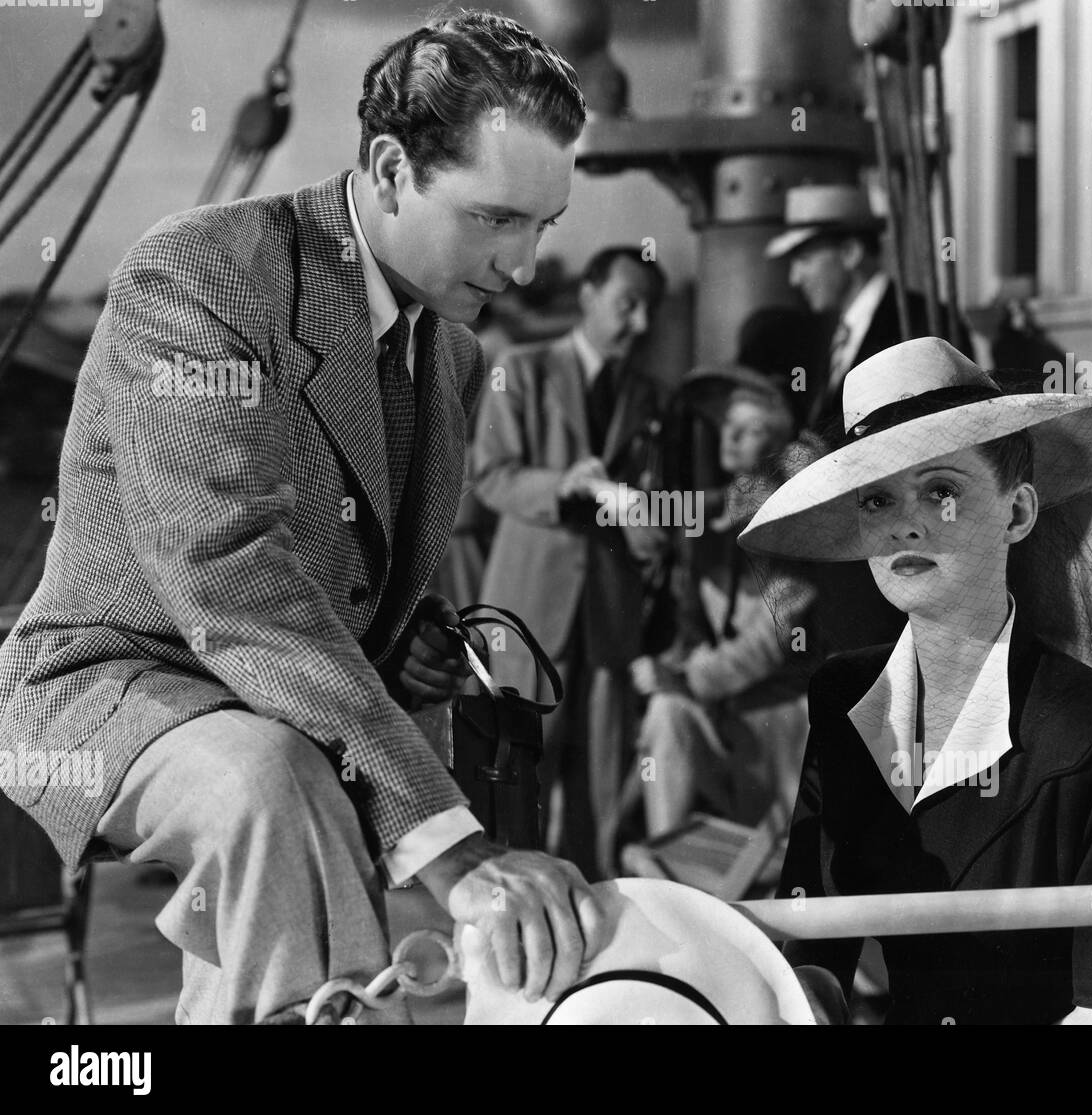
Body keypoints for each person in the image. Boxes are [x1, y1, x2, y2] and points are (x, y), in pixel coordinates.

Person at [0, 12, 613, 1024]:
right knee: (269, 779)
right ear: (386, 167)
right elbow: (231, 577)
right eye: (495, 217)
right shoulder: (200, 278)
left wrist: (408, 634)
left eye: (542, 224)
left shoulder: (446, 351)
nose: (526, 262)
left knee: (282, 820)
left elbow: (357, 565)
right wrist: (456, 852)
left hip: (295, 710)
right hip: (108, 686)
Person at [739, 337, 1092, 1025]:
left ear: (1017, 512)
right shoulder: (846, 699)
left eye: (941, 491)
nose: (905, 525)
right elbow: (815, 945)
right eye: (876, 501)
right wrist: (797, 997)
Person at [472, 246, 668, 880]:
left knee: (599, 786)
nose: (638, 325)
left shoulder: (648, 396)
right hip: (529, 615)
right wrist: (566, 486)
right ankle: (508, 923)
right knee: (516, 782)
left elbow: (648, 507)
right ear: (588, 294)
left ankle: (591, 937)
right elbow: (493, 479)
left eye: (648, 313)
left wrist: (649, 527)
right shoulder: (520, 371)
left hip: (607, 621)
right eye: (627, 305)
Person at [631, 378, 809, 837]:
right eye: (728, 426)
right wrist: (667, 667)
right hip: (722, 714)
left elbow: (774, 642)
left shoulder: (795, 522)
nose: (729, 438)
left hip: (781, 720)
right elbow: (693, 630)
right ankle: (665, 853)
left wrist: (687, 677)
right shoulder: (711, 525)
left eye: (748, 430)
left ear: (777, 444)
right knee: (665, 710)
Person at [765, 184, 970, 434]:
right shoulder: (824, 333)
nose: (794, 279)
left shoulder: (922, 322)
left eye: (804, 260)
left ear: (850, 253)